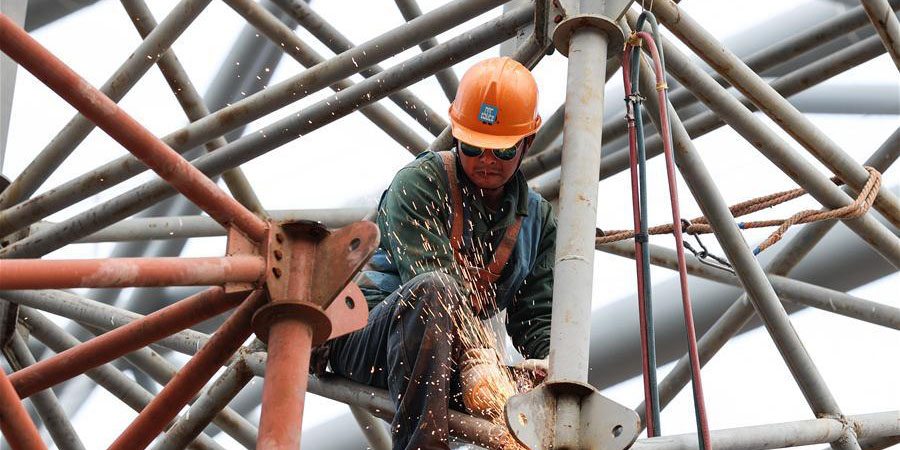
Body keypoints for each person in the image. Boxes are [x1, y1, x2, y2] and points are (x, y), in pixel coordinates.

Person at [327, 57, 557, 450]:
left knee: (544, 393)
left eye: (502, 151)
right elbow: (430, 280)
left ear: (526, 144)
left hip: (448, 361)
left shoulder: (538, 220)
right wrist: (478, 358)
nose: (486, 160)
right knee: (435, 290)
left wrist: (551, 368)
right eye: (474, 146)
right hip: (372, 340)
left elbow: (535, 317)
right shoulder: (420, 184)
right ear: (456, 135)